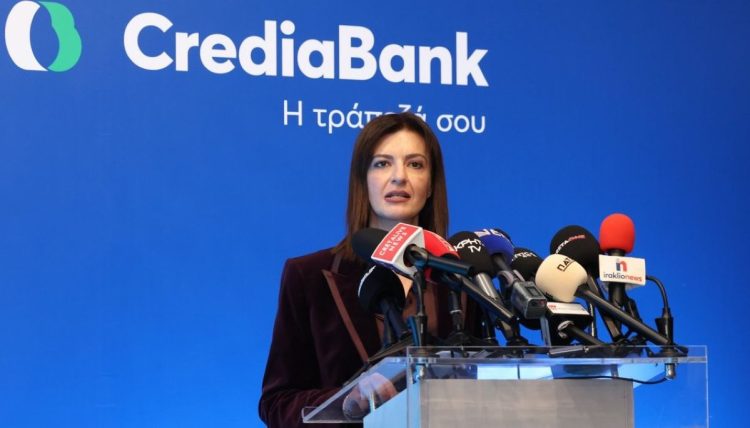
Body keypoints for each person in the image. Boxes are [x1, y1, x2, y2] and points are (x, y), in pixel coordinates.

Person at [258, 112, 475, 427]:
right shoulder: (308, 276)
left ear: (430, 185)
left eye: (415, 164)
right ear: (363, 181)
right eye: (382, 163)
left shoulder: (460, 278)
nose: (399, 177)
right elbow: (277, 402)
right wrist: (349, 400)